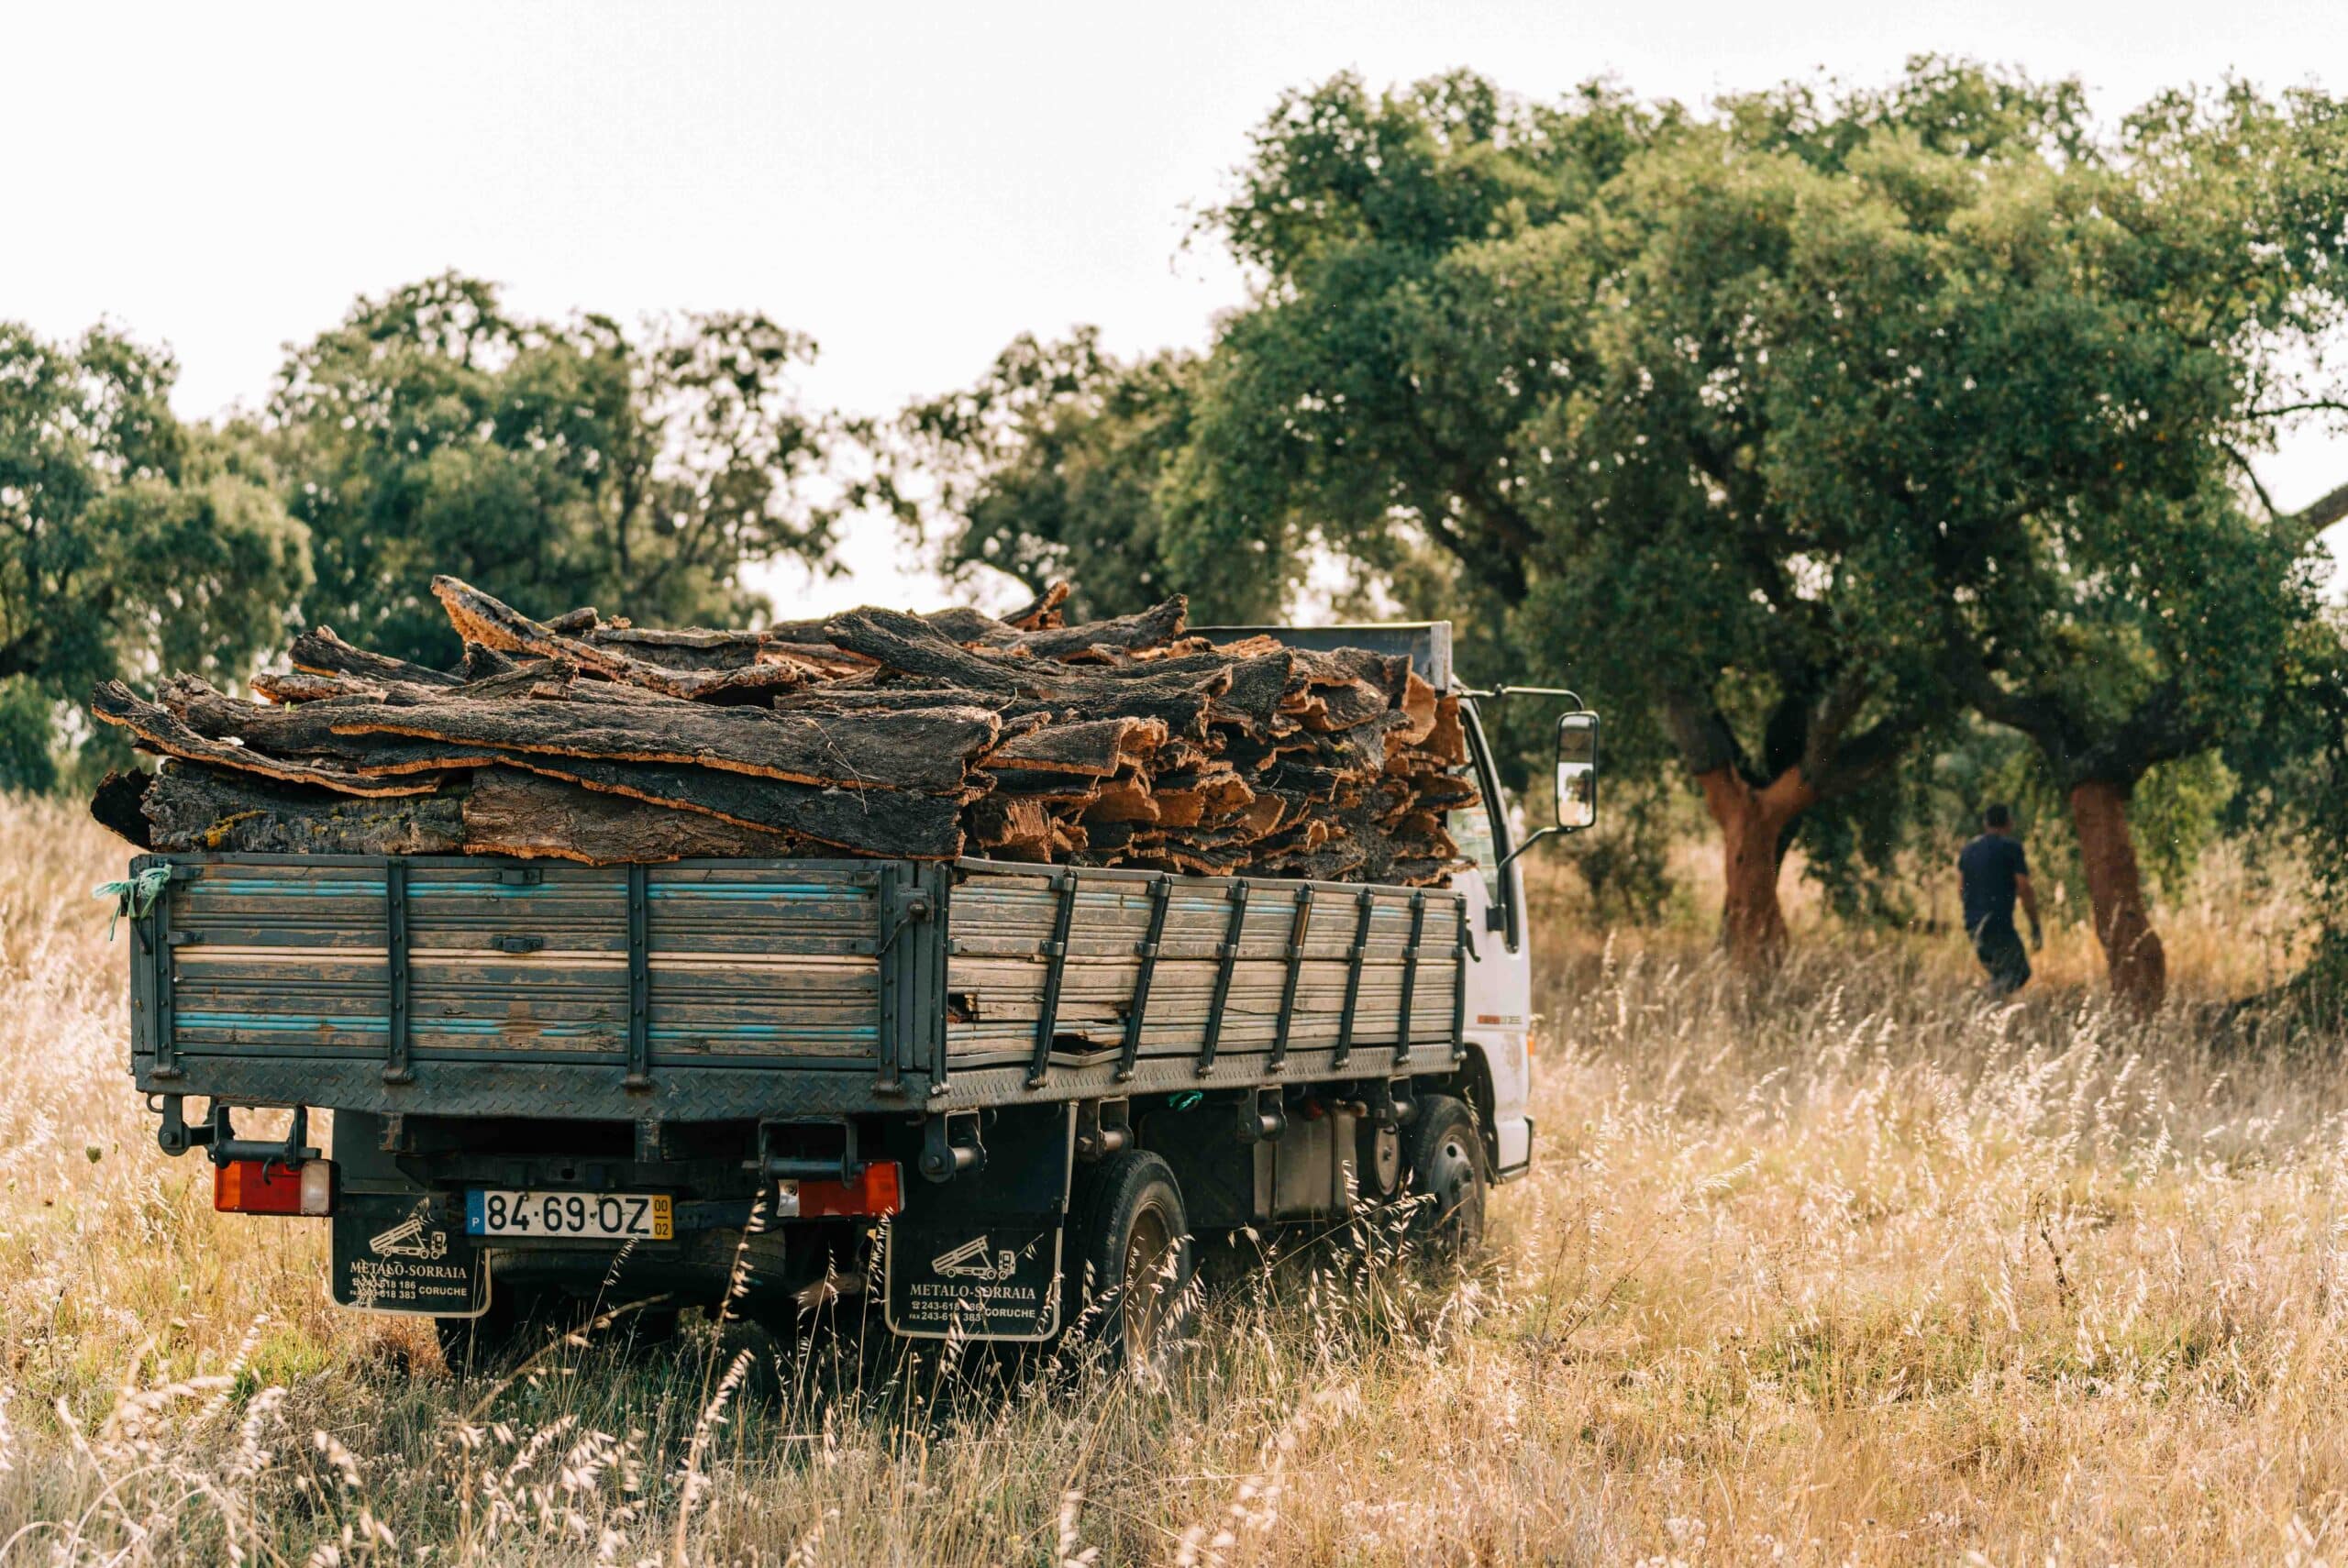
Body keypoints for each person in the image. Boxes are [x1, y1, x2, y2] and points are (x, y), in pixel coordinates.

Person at [1957, 804, 2043, 995]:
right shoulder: (2011, 848)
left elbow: (1960, 890)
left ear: (1985, 823)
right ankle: (1978, 1002)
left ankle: (1987, 1016)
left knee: (2001, 974)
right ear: (2009, 823)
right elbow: (2024, 888)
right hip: (1998, 924)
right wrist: (2035, 925)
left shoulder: (1968, 850)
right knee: (2018, 972)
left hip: (1973, 925)